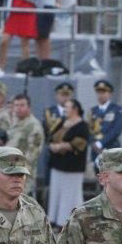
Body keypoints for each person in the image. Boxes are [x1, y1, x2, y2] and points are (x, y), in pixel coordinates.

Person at [46, 98, 91, 228]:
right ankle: (54, 219)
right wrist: (53, 145)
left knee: (69, 194)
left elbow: (79, 144)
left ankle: (65, 221)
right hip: (57, 165)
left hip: (72, 167)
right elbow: (52, 135)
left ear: (75, 109)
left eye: (67, 107)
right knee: (56, 193)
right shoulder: (62, 122)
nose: (64, 109)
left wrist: (59, 147)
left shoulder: (82, 125)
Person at [7, 93, 45, 171]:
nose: (18, 108)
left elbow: (33, 153)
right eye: (16, 105)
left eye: (22, 105)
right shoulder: (15, 122)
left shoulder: (34, 126)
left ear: (29, 107)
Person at [89, 80, 122, 163]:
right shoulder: (93, 111)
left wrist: (100, 143)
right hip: (95, 151)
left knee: (113, 174)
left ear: (110, 94)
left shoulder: (116, 109)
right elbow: (89, 130)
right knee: (97, 174)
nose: (101, 95)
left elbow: (116, 130)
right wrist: (93, 144)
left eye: (104, 92)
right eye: (99, 92)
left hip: (111, 149)